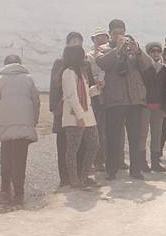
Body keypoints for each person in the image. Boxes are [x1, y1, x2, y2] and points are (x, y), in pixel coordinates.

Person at [97, 19, 151, 180]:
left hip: (134, 100)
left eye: (121, 32)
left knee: (135, 136)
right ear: (110, 34)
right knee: (113, 136)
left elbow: (146, 65)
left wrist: (139, 51)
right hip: (115, 100)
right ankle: (111, 170)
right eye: (115, 33)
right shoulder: (103, 49)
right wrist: (117, 49)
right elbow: (102, 64)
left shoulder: (132, 48)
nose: (119, 35)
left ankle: (135, 170)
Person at [0, 55, 40, 206]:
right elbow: (36, 101)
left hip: (4, 123)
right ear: (20, 64)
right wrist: (33, 120)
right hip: (24, 122)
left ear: (5, 64)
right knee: (20, 158)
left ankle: (5, 188)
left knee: (6, 154)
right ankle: (19, 191)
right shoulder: (28, 78)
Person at [49, 32, 94, 187]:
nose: (76, 43)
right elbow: (55, 87)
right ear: (67, 43)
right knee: (65, 146)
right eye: (73, 41)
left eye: (79, 41)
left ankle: (80, 176)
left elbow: (88, 87)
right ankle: (66, 179)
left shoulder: (84, 64)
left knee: (82, 146)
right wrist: (54, 107)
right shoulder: (60, 63)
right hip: (64, 111)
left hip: (83, 110)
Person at [61, 46, 100, 189]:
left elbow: (85, 93)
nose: (85, 59)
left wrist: (98, 89)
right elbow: (72, 96)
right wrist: (79, 116)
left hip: (88, 115)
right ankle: (74, 180)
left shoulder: (81, 73)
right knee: (73, 149)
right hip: (74, 116)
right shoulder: (68, 73)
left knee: (94, 145)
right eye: (82, 57)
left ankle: (84, 176)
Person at [140, 42, 166, 172]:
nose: (156, 53)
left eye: (158, 51)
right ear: (148, 53)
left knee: (157, 134)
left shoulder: (164, 69)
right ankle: (142, 162)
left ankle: (155, 162)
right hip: (145, 105)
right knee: (143, 134)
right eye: (153, 51)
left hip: (159, 106)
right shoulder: (144, 68)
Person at [87, 27, 109, 172]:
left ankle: (108, 159)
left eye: (103, 37)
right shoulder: (88, 56)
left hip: (109, 95)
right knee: (96, 130)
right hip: (94, 95)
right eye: (97, 38)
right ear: (93, 40)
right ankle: (97, 160)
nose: (100, 40)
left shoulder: (111, 54)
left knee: (110, 130)